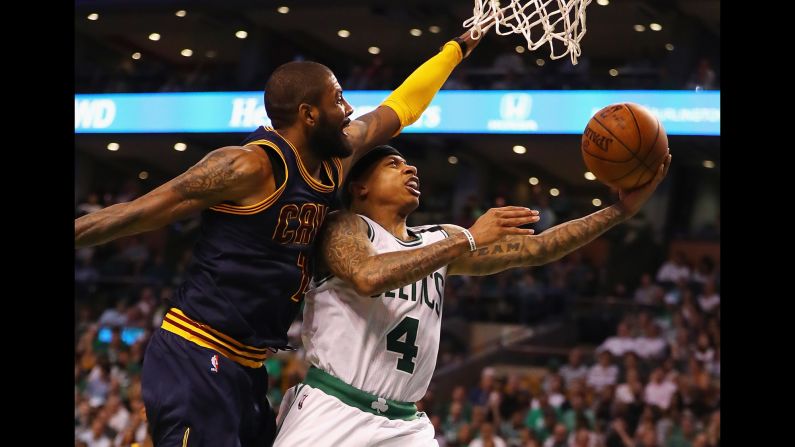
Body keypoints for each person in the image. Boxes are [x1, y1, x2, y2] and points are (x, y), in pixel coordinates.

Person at [75, 28, 488, 446]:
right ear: (309, 114)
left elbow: (401, 107)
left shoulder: (335, 163)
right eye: (338, 100)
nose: (348, 109)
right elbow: (136, 213)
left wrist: (455, 50)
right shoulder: (248, 167)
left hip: (250, 368)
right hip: (196, 351)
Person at [274, 145, 671, 446]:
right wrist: (467, 238)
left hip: (403, 424)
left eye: (408, 163)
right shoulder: (346, 227)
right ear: (360, 187)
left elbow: (538, 248)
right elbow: (366, 275)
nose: (410, 168)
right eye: (392, 165)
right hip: (334, 407)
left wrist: (619, 211)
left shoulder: (437, 240)